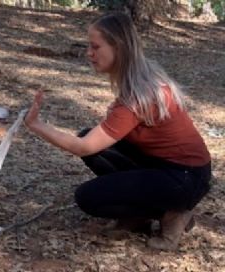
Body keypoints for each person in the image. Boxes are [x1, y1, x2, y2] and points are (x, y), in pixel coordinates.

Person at [24, 12, 211, 251]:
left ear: (119, 48)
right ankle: (141, 215)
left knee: (88, 197)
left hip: (185, 178)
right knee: (87, 135)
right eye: (88, 46)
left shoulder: (137, 96)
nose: (88, 53)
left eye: (95, 47)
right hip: (180, 170)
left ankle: (172, 213)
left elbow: (83, 148)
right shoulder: (143, 77)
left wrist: (37, 125)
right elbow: (97, 139)